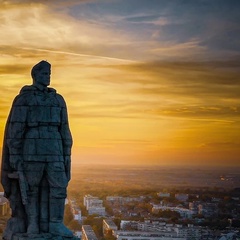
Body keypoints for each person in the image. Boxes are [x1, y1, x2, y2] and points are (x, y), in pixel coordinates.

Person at [1, 61, 73, 238]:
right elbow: (15, 130)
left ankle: (55, 223)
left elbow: (64, 128)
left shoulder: (58, 100)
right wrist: (15, 157)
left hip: (55, 147)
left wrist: (66, 153)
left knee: (59, 187)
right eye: (44, 74)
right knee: (30, 188)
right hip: (32, 148)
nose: (48, 76)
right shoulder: (24, 99)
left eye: (49, 73)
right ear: (35, 75)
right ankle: (32, 223)